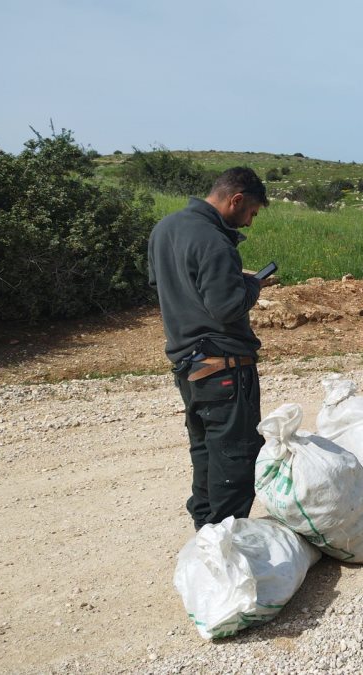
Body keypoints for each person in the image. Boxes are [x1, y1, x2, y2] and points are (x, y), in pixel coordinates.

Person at [147, 167, 271, 530]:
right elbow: (227, 307)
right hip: (224, 365)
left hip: (188, 363)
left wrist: (231, 280)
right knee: (235, 454)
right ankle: (225, 543)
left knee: (204, 449)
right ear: (236, 200)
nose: (249, 222)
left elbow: (171, 282)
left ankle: (206, 531)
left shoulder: (164, 229)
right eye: (251, 212)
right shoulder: (215, 240)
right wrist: (253, 285)